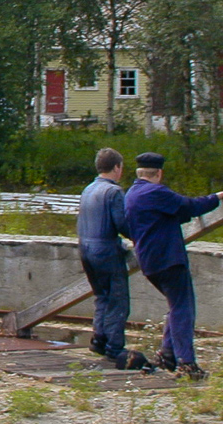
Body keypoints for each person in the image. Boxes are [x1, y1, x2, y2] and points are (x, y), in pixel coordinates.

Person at [124, 152, 223, 380]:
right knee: (183, 309)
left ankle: (167, 355)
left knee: (177, 305)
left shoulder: (132, 194)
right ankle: (186, 363)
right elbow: (189, 206)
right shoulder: (156, 192)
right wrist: (218, 196)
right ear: (159, 173)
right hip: (167, 259)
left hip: (149, 260)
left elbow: (176, 213)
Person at [76, 147, 131, 362]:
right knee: (118, 300)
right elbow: (122, 224)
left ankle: (99, 338)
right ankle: (114, 346)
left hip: (85, 248)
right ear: (116, 167)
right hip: (106, 250)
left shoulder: (88, 189)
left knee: (101, 296)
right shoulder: (113, 192)